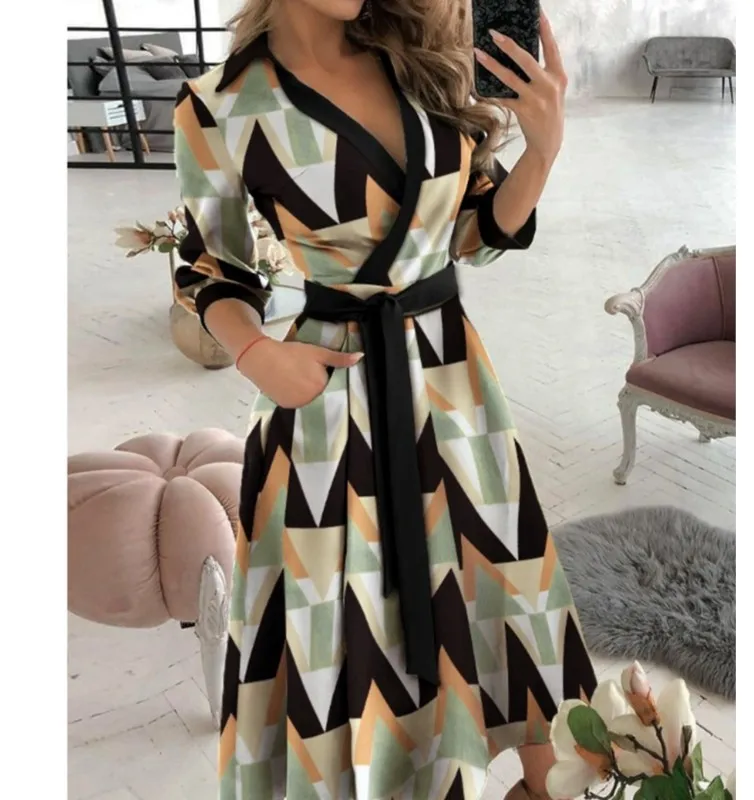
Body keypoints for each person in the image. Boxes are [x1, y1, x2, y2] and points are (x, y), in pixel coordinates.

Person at [173, 0, 597, 797]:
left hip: (456, 393)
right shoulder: (220, 105)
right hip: (328, 410)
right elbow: (212, 270)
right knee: (352, 652)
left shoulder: (416, 59)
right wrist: (258, 354)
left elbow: (472, 231)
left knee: (513, 621)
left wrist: (542, 155)